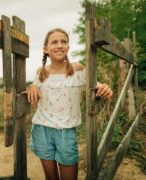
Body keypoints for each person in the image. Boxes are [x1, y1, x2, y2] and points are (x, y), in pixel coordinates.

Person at [22, 28, 113, 180]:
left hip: (66, 131)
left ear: (68, 47)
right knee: (51, 178)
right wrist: (31, 86)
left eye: (63, 42)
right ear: (46, 49)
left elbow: (96, 86)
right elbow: (34, 88)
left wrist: (104, 88)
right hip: (41, 129)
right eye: (54, 42)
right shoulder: (41, 72)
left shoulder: (76, 69)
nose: (59, 45)